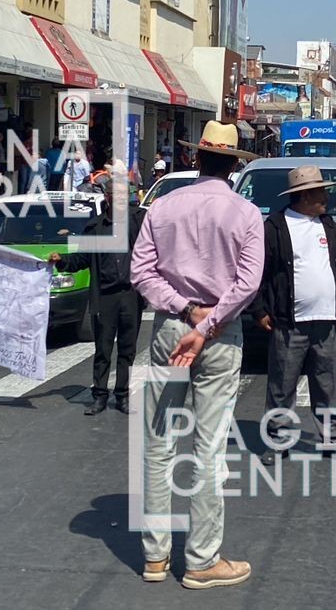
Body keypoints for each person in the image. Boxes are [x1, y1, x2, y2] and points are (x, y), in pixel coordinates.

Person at [130, 121, 262, 590]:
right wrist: (207, 325)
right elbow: (247, 284)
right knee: (209, 448)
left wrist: (187, 311)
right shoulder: (246, 214)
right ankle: (202, 559)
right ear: (233, 167)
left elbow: (141, 273)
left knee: (158, 441)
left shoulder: (162, 208)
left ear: (195, 159)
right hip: (221, 335)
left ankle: (154, 556)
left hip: (171, 328)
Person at [252, 165, 336, 461]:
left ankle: (333, 440)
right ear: (304, 195)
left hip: (326, 321)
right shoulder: (274, 226)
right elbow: (258, 272)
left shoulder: (328, 224)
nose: (326, 197)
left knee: (327, 385)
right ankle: (277, 441)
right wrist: (259, 310)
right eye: (321, 192)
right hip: (288, 323)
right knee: (281, 386)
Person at [49, 166, 145, 415]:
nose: (123, 200)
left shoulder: (138, 221)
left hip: (130, 295)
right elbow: (81, 259)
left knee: (127, 349)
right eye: (118, 195)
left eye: (126, 195)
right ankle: (99, 395)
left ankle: (122, 395)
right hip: (105, 296)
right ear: (108, 198)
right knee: (103, 349)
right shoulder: (96, 227)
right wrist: (61, 260)